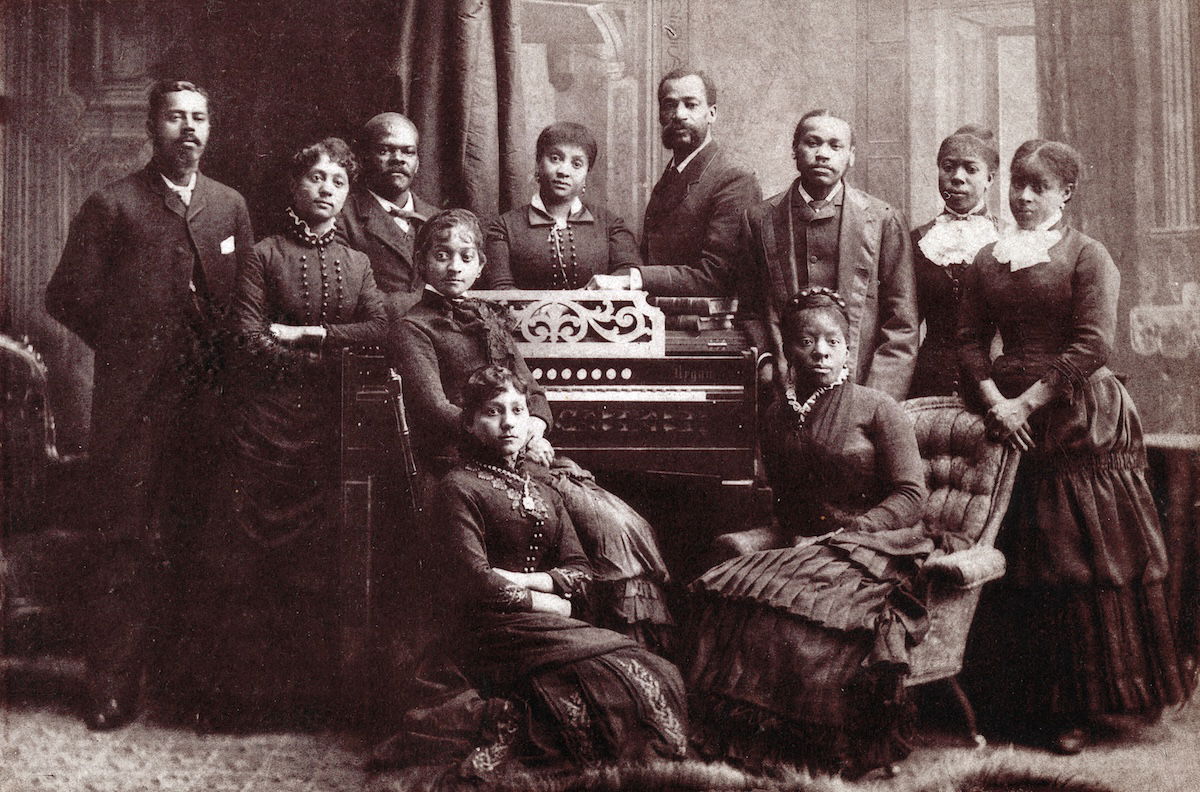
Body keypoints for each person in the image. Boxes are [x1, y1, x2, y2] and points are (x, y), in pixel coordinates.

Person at [956, 140, 1191, 754]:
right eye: (1017, 185)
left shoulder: (1089, 256)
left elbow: (1092, 347)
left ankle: (1075, 708)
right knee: (1013, 553)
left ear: (1066, 194)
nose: (1025, 197)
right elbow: (969, 339)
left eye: (1040, 187)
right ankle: (1006, 699)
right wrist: (992, 402)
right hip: (1003, 416)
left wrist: (1024, 404)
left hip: (1074, 415)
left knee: (1069, 559)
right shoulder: (987, 259)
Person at [44, 79, 254, 730]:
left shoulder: (229, 206)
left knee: (200, 536)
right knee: (125, 541)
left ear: (210, 129)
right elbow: (65, 296)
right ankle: (111, 686)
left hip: (210, 404)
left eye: (199, 118)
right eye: (174, 118)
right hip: (134, 405)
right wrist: (134, 341)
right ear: (151, 127)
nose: (188, 129)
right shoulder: (113, 204)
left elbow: (246, 299)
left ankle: (186, 681)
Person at [375, 365, 687, 777]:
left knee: (657, 670)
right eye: (493, 411)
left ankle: (644, 773)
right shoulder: (458, 487)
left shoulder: (543, 489)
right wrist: (551, 602)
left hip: (543, 625)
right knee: (591, 688)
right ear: (469, 423)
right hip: (489, 633)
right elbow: (476, 580)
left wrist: (527, 583)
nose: (508, 423)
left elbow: (581, 571)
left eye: (518, 410)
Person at [391, 209, 672, 650]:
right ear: (423, 262)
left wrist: (535, 430)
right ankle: (594, 643)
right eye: (442, 256)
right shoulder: (414, 327)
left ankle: (622, 645)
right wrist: (508, 435)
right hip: (462, 461)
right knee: (600, 522)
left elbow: (533, 393)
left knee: (616, 521)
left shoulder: (488, 317)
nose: (454, 266)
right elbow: (435, 409)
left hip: (515, 451)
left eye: (466, 256)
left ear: (481, 265)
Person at [685, 288, 931, 776]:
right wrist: (795, 537)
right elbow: (783, 498)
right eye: (807, 341)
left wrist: (853, 531)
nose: (820, 351)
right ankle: (758, 742)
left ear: (847, 348)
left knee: (810, 616)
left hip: (875, 546)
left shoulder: (879, 408)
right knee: (730, 595)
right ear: (789, 349)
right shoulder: (777, 413)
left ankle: (824, 748)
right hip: (802, 544)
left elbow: (911, 495)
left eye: (833, 341)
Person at [187, 137, 386, 728]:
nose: (326, 190)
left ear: (347, 194)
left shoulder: (358, 264)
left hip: (329, 431)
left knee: (319, 563)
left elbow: (379, 329)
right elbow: (247, 341)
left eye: (338, 183)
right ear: (294, 187)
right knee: (247, 563)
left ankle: (313, 705)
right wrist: (326, 362)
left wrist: (310, 338)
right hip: (262, 429)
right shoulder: (263, 255)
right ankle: (241, 704)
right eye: (316, 179)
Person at [736, 109, 918, 402]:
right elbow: (749, 310)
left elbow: (902, 323)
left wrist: (874, 401)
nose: (823, 154)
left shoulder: (884, 220)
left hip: (860, 385)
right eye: (812, 143)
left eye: (835, 146)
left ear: (851, 156)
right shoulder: (759, 220)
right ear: (795, 150)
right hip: (785, 386)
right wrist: (768, 361)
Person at [586, 67, 761, 296]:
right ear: (660, 115)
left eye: (691, 104)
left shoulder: (734, 180)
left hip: (708, 327)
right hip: (664, 319)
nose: (679, 114)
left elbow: (718, 275)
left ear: (712, 113)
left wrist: (634, 278)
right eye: (670, 105)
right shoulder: (670, 177)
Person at [483, 122, 640, 289]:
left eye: (577, 164)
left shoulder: (611, 225)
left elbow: (630, 273)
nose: (564, 171)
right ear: (538, 163)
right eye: (555, 158)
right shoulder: (503, 228)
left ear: (586, 173)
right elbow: (500, 289)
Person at [909, 125, 1000, 397]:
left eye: (971, 169)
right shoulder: (917, 240)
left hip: (995, 379)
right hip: (931, 375)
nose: (957, 177)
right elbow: (904, 323)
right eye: (948, 167)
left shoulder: (1008, 240)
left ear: (989, 179)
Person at [337, 112, 437, 310]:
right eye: (385, 150)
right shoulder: (342, 217)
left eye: (408, 152)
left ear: (417, 163)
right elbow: (349, 294)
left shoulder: (438, 218)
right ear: (363, 159)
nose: (398, 159)